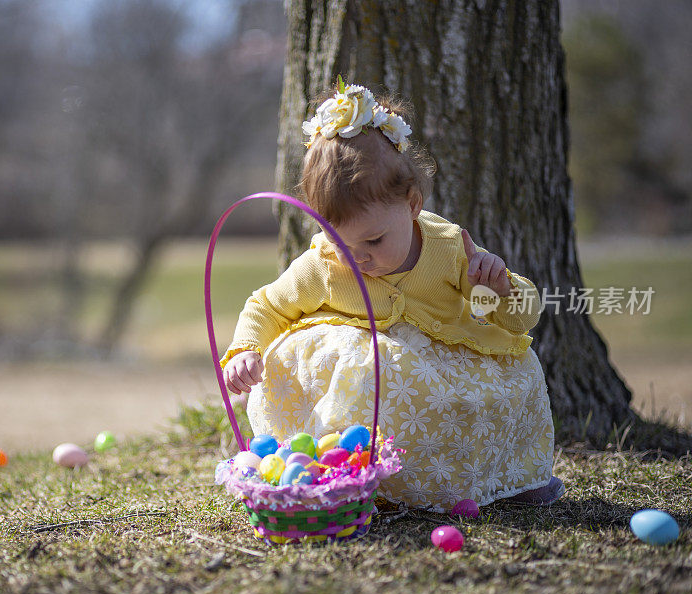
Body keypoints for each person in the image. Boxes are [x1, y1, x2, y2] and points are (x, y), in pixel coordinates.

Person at [221, 80, 564, 512]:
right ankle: (353, 475)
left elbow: (520, 320)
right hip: (372, 376)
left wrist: (499, 290)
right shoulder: (323, 266)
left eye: (375, 241)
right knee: (373, 371)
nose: (359, 259)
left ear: (413, 204)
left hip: (442, 364)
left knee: (518, 372)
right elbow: (267, 304)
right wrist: (245, 348)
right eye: (343, 245)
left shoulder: (448, 248)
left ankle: (508, 473)